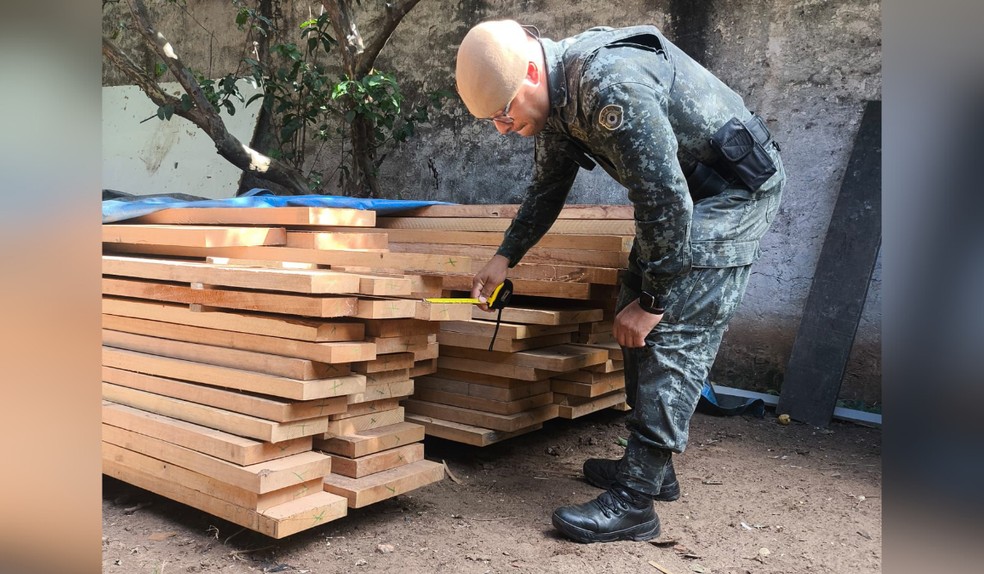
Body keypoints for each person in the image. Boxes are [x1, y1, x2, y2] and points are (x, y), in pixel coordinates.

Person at [455, 19, 785, 544]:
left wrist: (656, 301)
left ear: (532, 71)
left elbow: (665, 201)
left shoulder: (608, 85)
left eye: (504, 112)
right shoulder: (558, 101)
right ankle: (653, 470)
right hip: (689, 195)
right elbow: (548, 186)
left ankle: (636, 504)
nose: (502, 127)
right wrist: (505, 255)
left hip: (734, 195)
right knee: (633, 303)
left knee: (670, 329)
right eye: (491, 119)